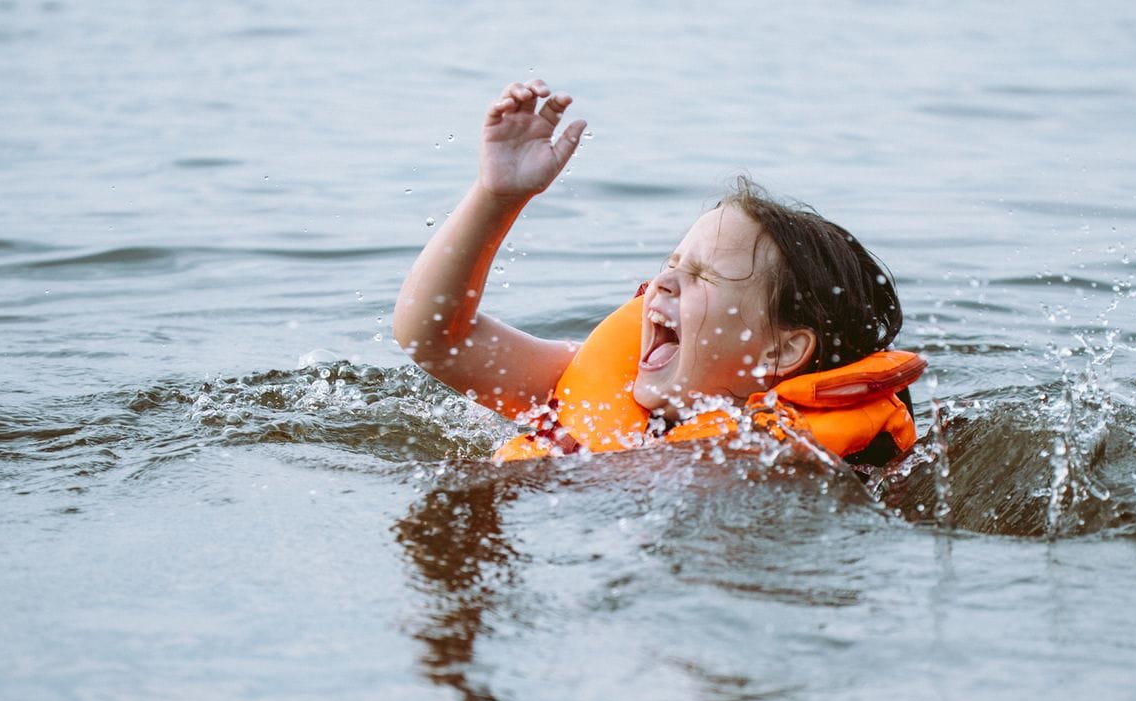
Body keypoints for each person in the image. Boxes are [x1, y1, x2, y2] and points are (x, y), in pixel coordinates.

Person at [393, 78, 923, 466]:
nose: (661, 285)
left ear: (780, 351)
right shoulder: (591, 390)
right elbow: (435, 338)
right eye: (671, 266)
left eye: (704, 276)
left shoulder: (800, 460)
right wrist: (497, 197)